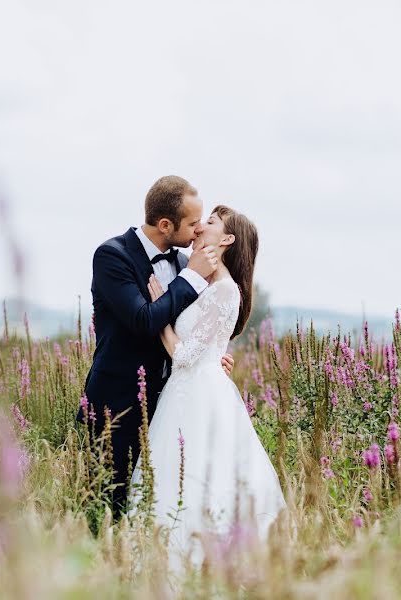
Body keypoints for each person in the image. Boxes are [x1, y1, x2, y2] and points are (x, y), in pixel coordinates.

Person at [129, 205, 286, 569]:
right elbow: (204, 344)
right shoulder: (200, 278)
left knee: (197, 476)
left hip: (198, 394)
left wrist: (157, 312)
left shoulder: (225, 291)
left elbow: (184, 355)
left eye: (211, 222)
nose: (201, 227)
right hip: (185, 390)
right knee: (172, 478)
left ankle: (203, 564)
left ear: (227, 239)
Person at [78, 175, 234, 515]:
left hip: (171, 410)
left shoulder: (180, 262)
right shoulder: (111, 256)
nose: (197, 231)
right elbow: (144, 320)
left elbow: (194, 327)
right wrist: (192, 277)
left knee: (162, 509)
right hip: (116, 410)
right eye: (193, 223)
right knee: (108, 511)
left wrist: (209, 358)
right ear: (165, 224)